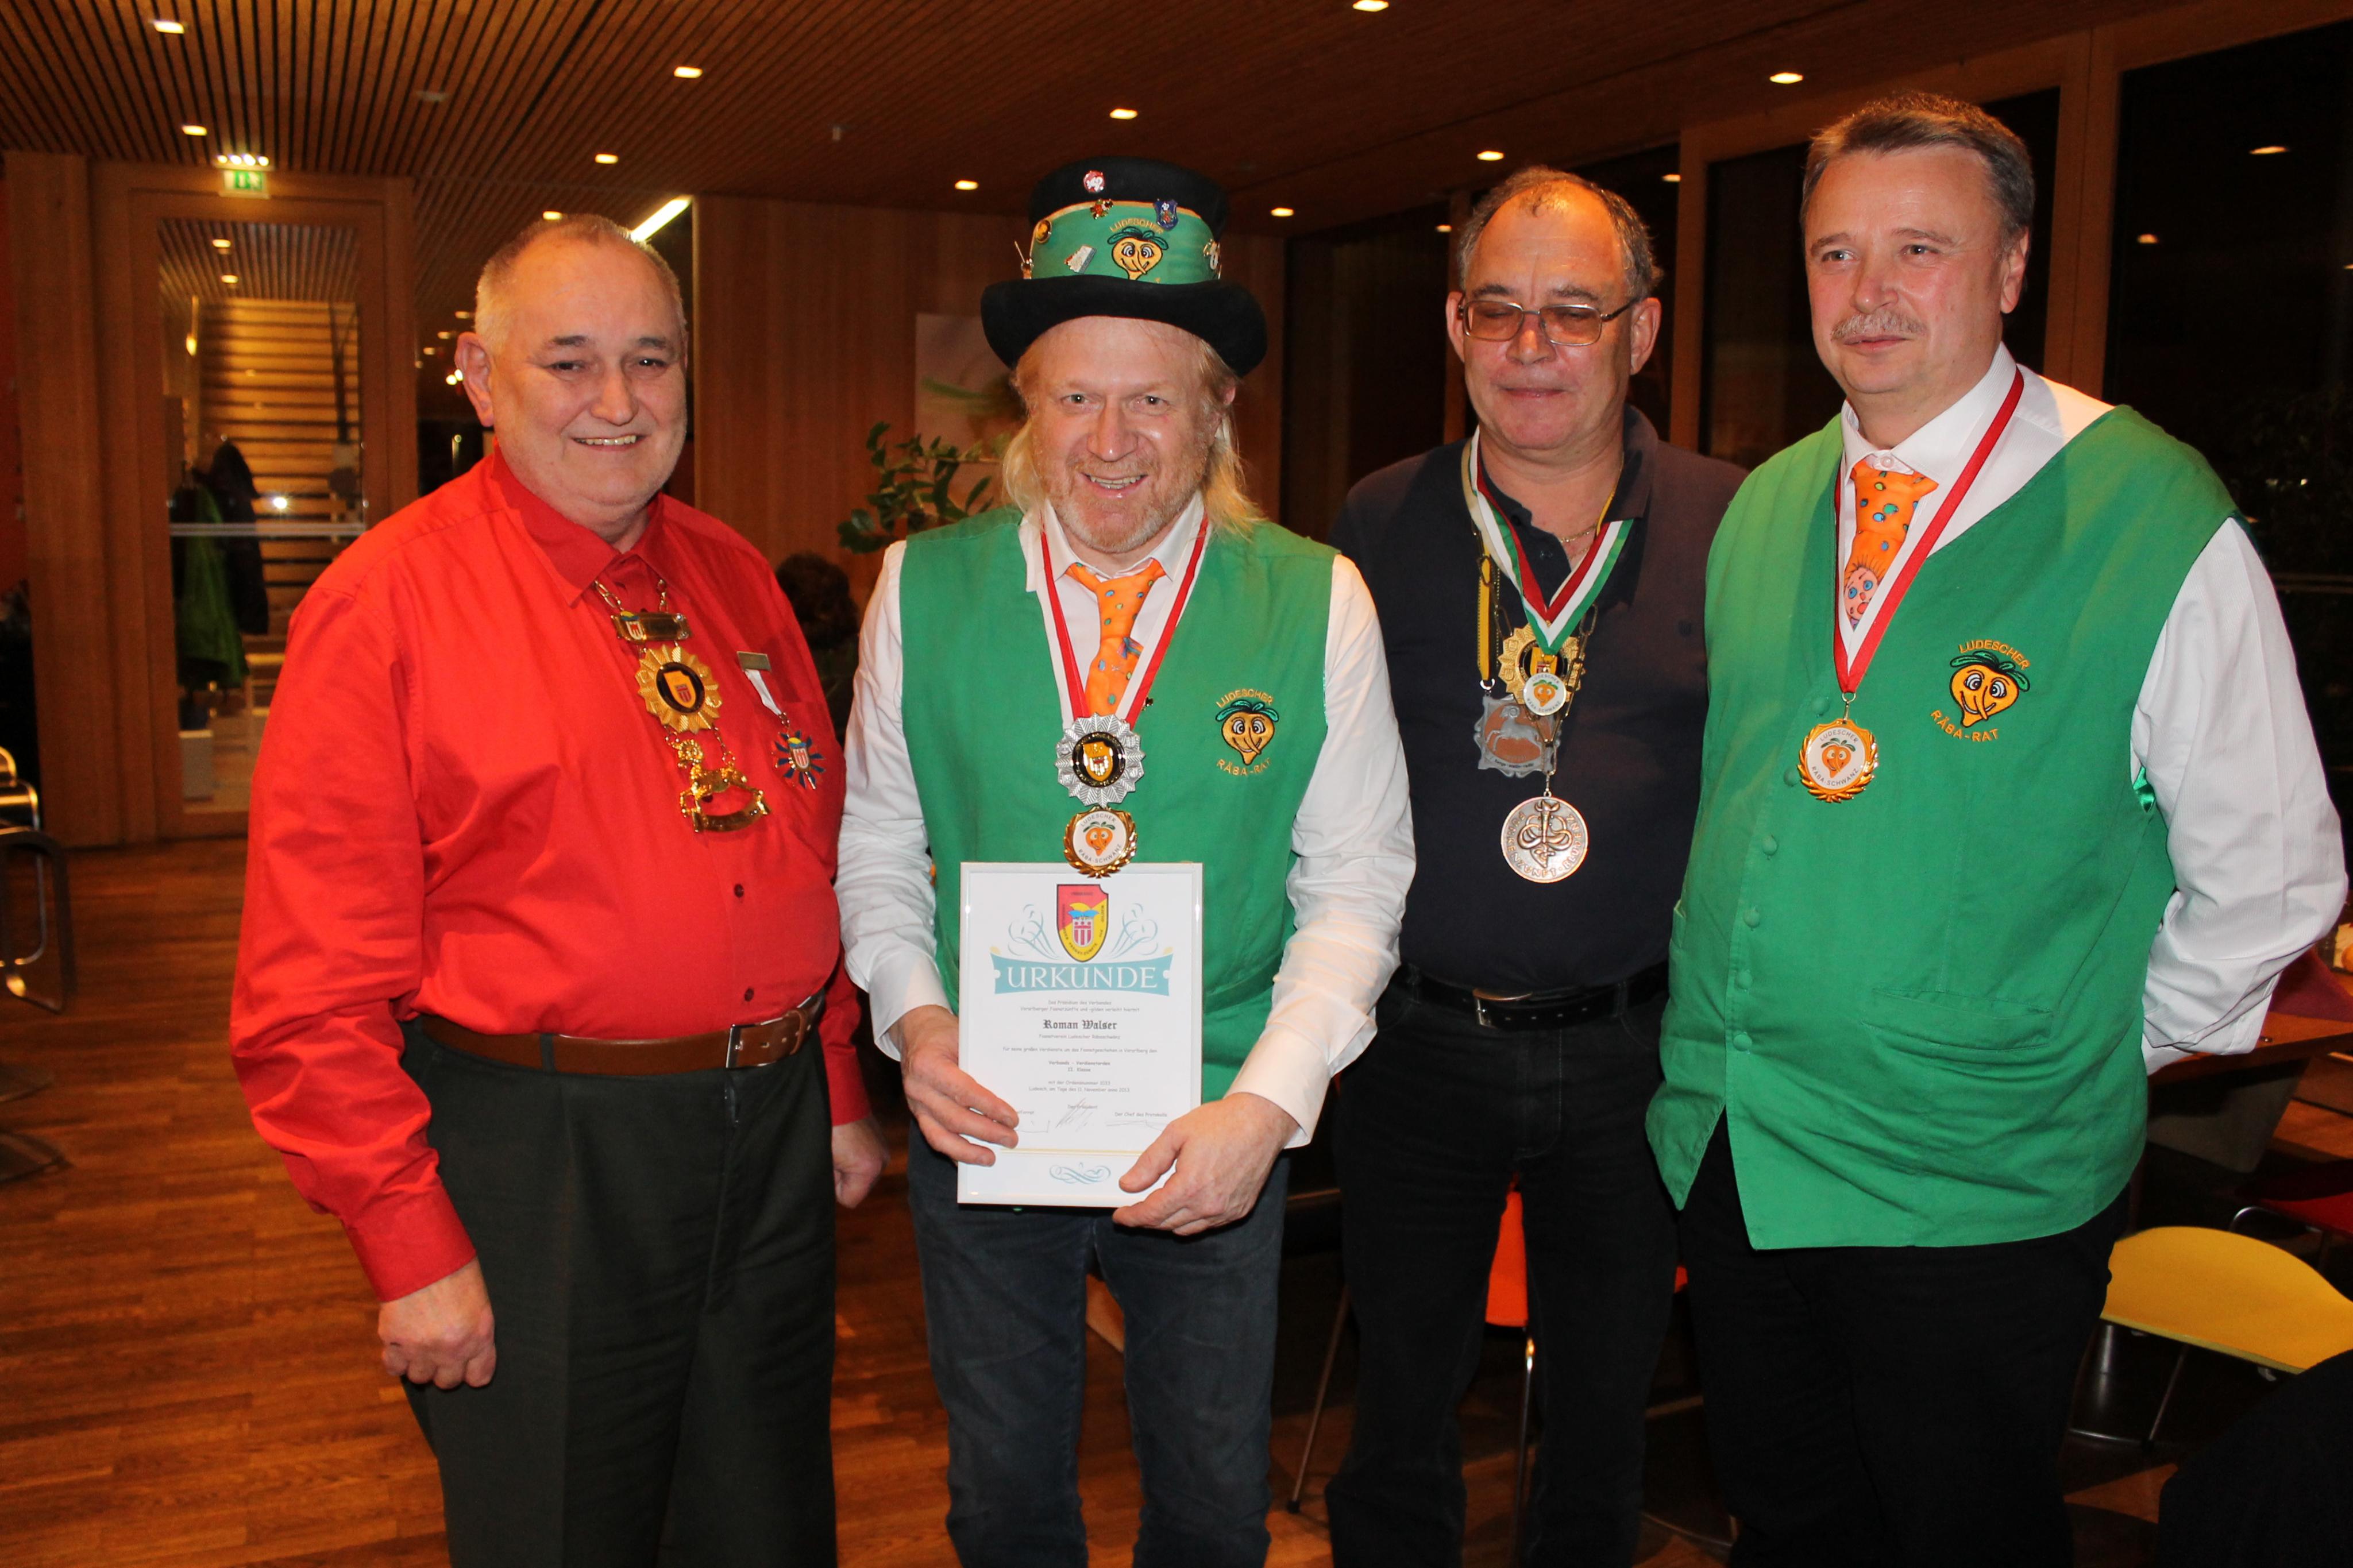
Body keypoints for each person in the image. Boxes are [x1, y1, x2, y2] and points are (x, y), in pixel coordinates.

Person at [1648, 92, 2346, 1567]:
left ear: (2012, 266)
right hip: (1741, 1145)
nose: (1869, 291)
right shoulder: (1769, 502)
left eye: (1919, 248)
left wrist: (2083, 1041)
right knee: (1786, 1524)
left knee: (1959, 1533)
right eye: (1834, 254)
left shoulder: (2149, 513)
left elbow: (2275, 874)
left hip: (1973, 1186)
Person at [230, 213, 888, 1568]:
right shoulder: (385, 606)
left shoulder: (733, 572)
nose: (617, 402)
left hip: (770, 1140)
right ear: (481, 378)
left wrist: (831, 1078)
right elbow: (308, 988)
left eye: (650, 360)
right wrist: (409, 1241)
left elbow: (798, 847)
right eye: (569, 361)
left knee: (766, 1528)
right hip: (543, 1160)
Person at [836, 156, 1413, 1568]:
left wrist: (1265, 1107)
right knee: (1003, 1505)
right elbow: (881, 847)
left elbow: (1356, 883)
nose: (1111, 440)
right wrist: (916, 1024)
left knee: (1212, 1512)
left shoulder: (1316, 599)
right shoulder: (920, 587)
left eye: (1153, 399)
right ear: (1023, 406)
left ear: (1216, 411)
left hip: (1210, 1123)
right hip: (984, 1118)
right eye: (1075, 396)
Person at [1322, 167, 1743, 1567]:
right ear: (1454, 327)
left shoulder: (1737, 525)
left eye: (1574, 311)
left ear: (1642, 330)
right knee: (1398, 1415)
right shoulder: (1373, 526)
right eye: (1497, 310)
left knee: (1604, 1423)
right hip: (1413, 1046)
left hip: (1637, 1051)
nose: (1531, 347)